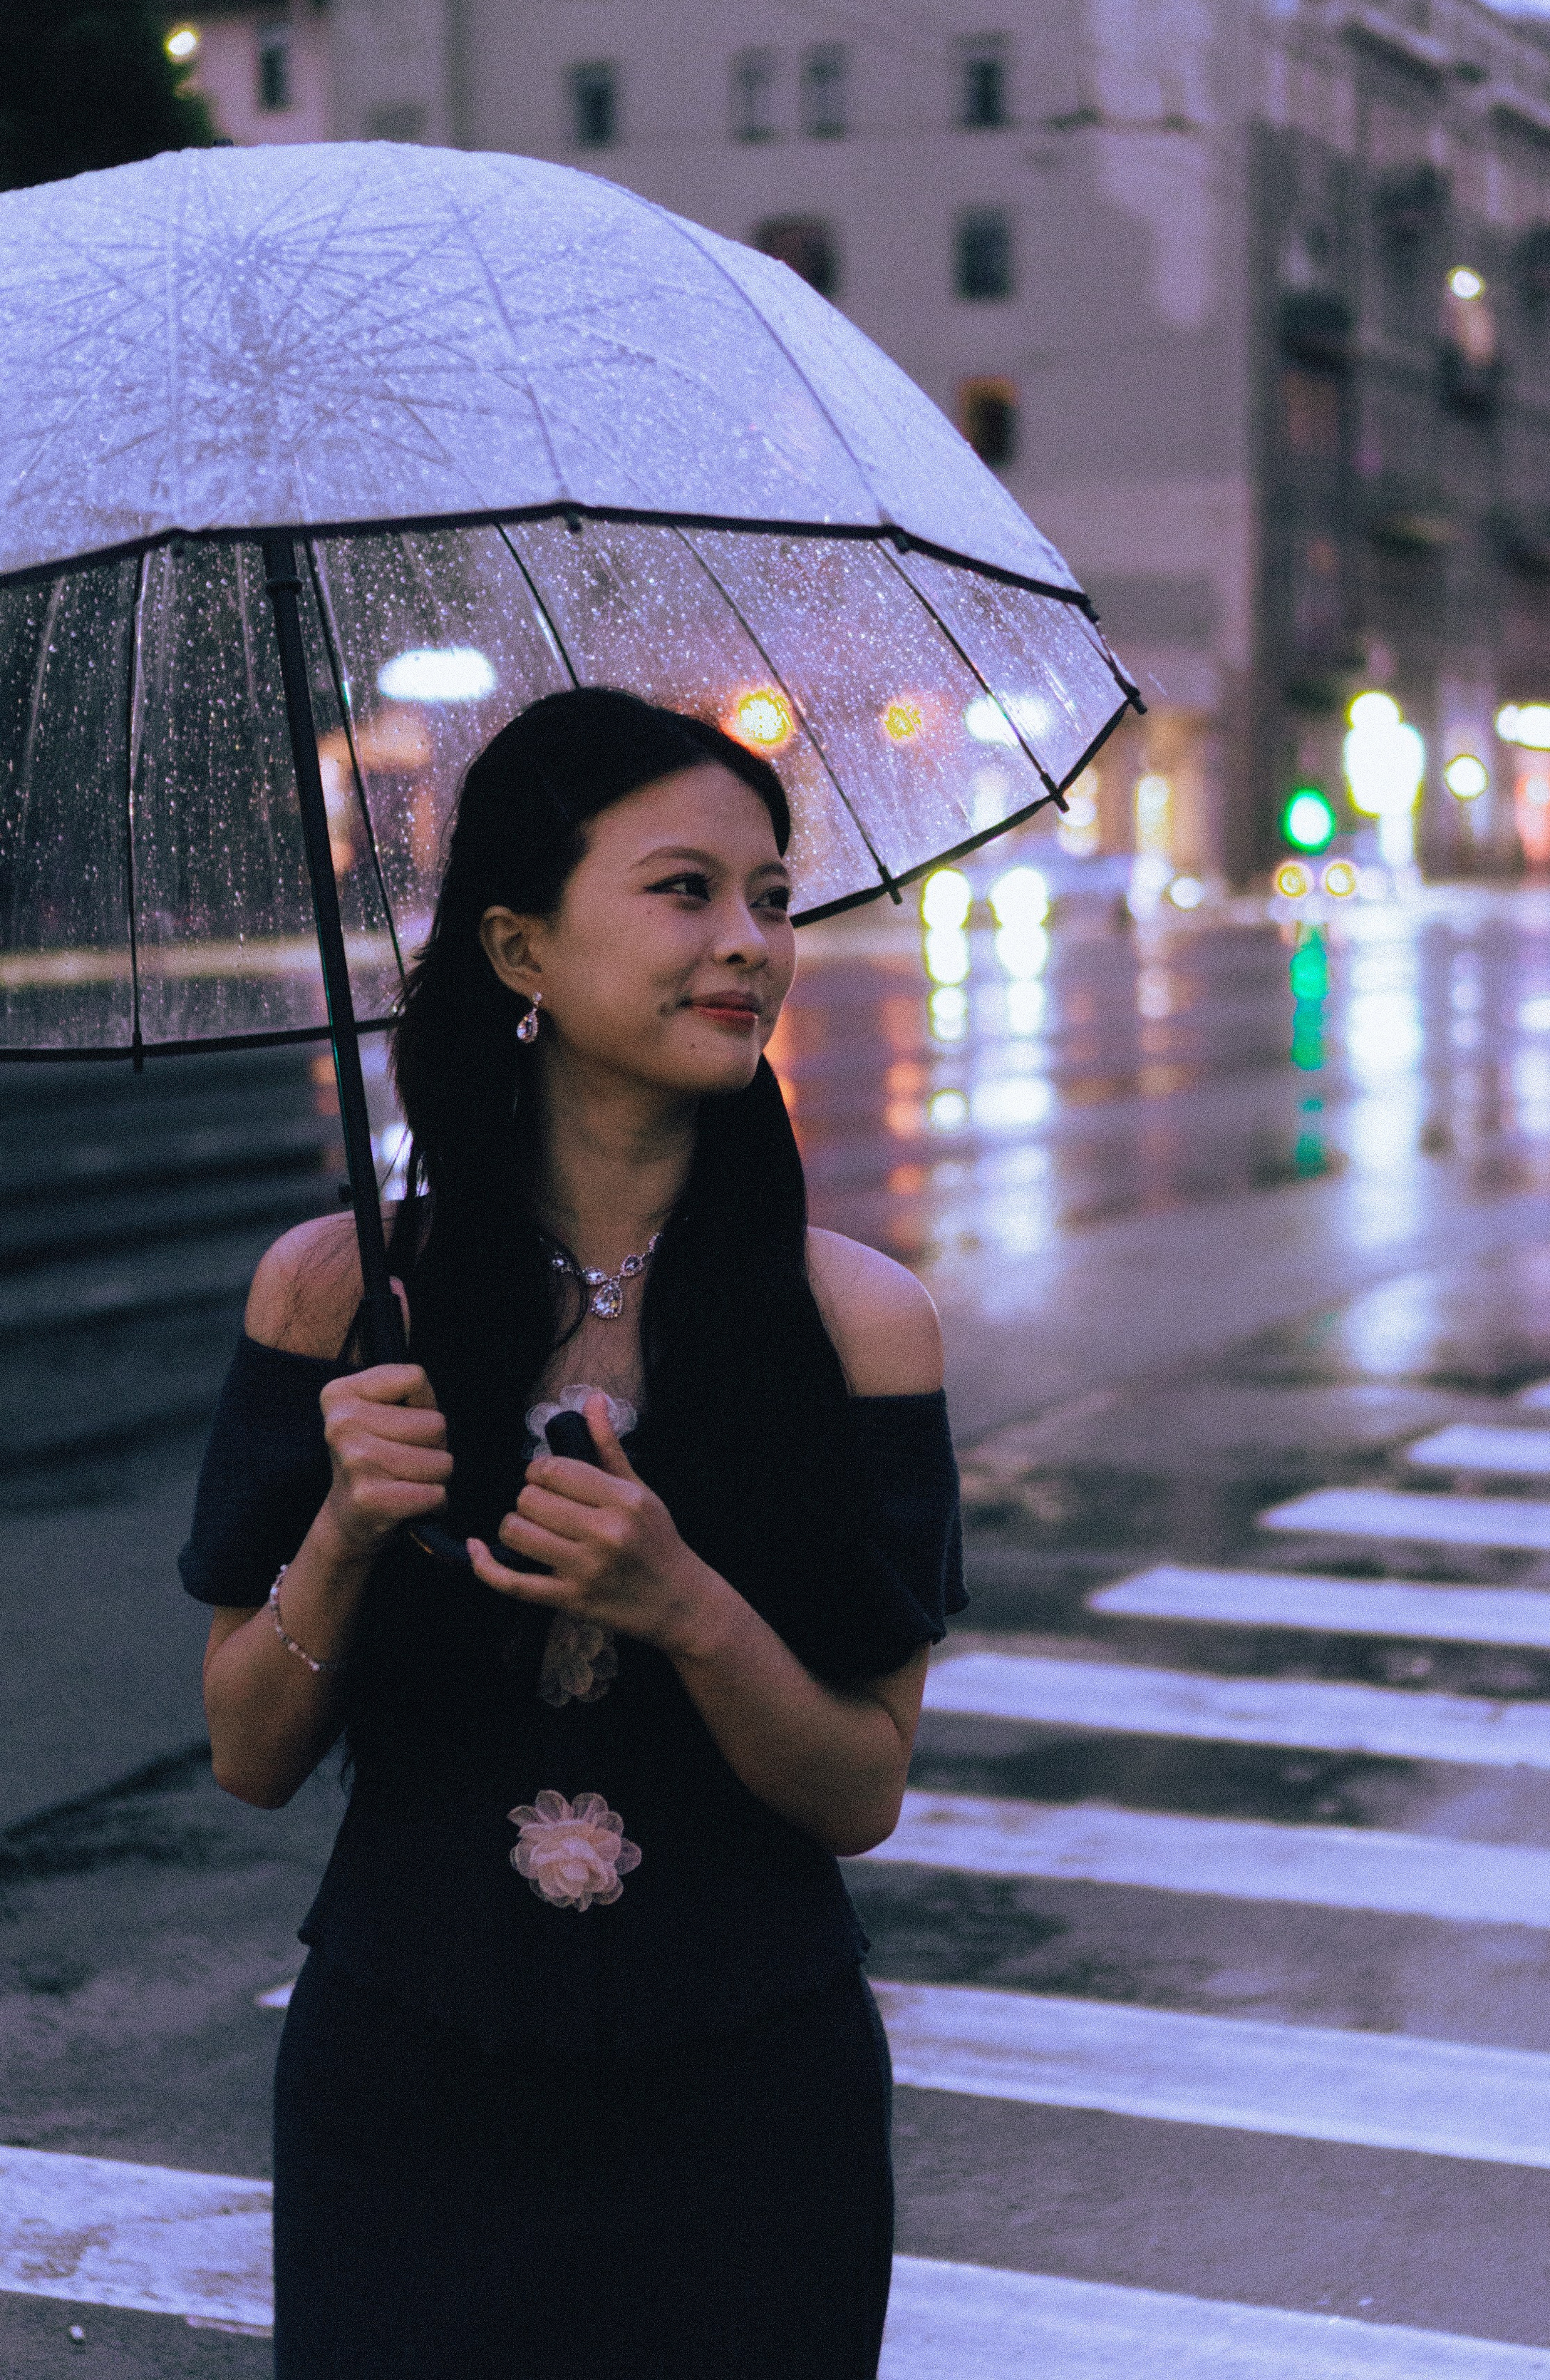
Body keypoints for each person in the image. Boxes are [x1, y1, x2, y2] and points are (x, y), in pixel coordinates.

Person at [180, 688, 965, 2378]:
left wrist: (683, 1603)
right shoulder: (340, 1297)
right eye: (684, 891)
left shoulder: (857, 1325)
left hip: (750, 2096)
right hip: (408, 2078)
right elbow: (247, 1751)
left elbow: (859, 1791)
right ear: (519, 949)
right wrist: (338, 1530)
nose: (746, 942)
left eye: (770, 896)